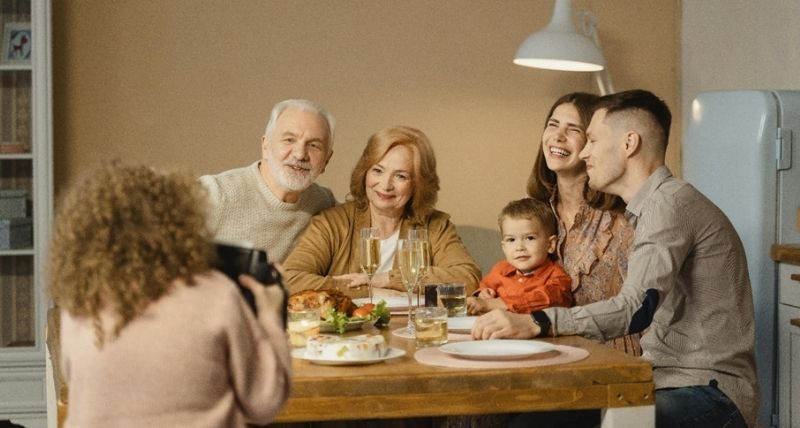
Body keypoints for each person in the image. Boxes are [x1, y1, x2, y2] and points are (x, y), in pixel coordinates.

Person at [473, 90, 759, 428]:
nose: (586, 152)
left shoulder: (670, 206)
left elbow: (635, 308)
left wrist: (538, 321)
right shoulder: (652, 208)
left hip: (709, 393)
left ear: (629, 144)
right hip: (662, 381)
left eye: (592, 139)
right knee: (529, 421)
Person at [48, 162, 291, 428]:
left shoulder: (81, 302)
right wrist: (269, 317)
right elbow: (264, 402)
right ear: (179, 221)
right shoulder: (216, 295)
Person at [283, 125, 481, 297]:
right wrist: (366, 292)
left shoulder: (435, 226)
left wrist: (387, 279)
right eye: (377, 170)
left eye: (401, 176)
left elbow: (468, 278)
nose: (385, 185)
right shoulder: (332, 222)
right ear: (365, 173)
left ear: (418, 184)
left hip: (412, 333)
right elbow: (291, 280)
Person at [527, 92, 640, 354]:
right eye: (553, 125)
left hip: (611, 356)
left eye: (573, 129)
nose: (557, 136)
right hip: (544, 348)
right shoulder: (532, 210)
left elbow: (637, 307)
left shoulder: (621, 219)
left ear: (593, 142)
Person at [200, 98, 337, 262]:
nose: (300, 154)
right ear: (266, 146)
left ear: (326, 161)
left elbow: (364, 224)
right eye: (289, 140)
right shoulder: (214, 193)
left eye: (314, 145)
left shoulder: (324, 203)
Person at [466, 197, 572, 315]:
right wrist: (483, 293)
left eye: (529, 238)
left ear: (550, 244)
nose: (519, 247)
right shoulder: (500, 269)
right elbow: (485, 285)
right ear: (504, 247)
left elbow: (550, 298)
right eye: (511, 240)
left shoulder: (556, 276)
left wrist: (493, 304)